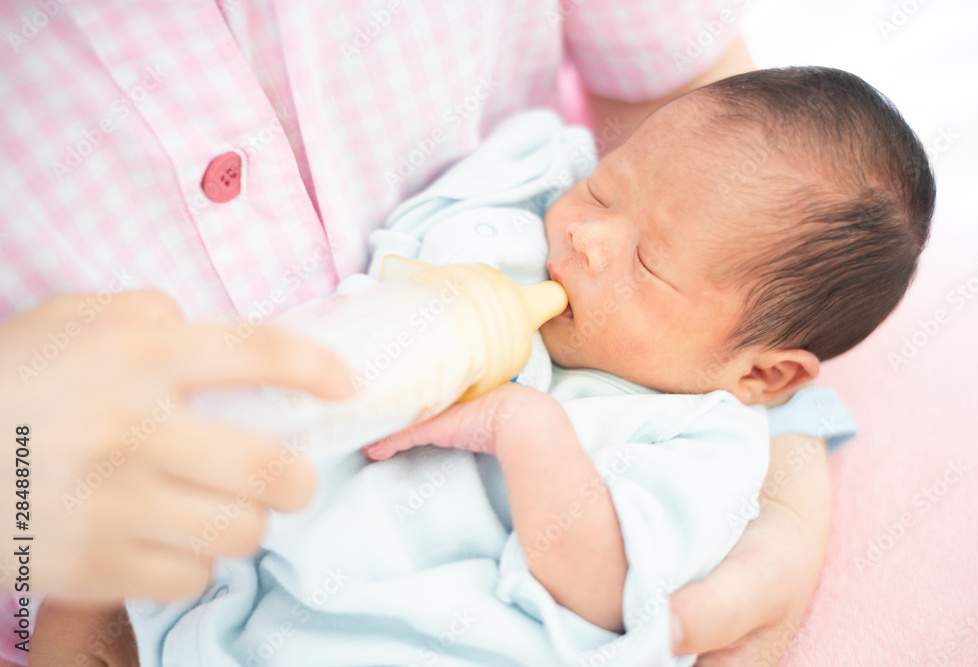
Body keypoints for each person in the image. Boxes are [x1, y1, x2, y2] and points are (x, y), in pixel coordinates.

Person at [0, 1, 848, 664]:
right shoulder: (514, 211)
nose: (588, 235)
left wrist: (524, 426)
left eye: (650, 262)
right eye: (603, 189)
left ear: (767, 374)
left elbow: (609, 589)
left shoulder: (705, 438)